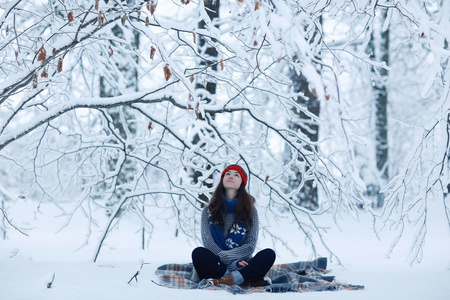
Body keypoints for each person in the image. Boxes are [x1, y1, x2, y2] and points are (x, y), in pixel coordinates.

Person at [191, 164, 276, 286]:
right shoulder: (208, 211)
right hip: (218, 265)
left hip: (242, 263)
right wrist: (231, 263)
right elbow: (208, 243)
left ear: (242, 182)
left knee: (268, 254)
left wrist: (235, 261)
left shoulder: (250, 211)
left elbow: (250, 244)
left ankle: (225, 280)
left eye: (236, 175)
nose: (231, 176)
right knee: (199, 253)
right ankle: (237, 278)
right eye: (227, 174)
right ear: (222, 180)